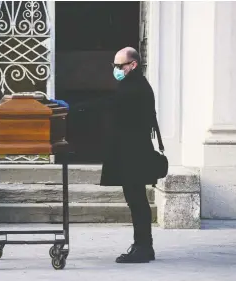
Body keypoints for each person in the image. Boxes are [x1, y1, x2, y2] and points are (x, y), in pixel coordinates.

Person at [52, 47, 158, 263]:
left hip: (133, 153)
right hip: (133, 150)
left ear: (133, 65)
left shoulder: (134, 87)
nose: (116, 70)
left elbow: (108, 104)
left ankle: (143, 248)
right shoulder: (134, 84)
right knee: (136, 200)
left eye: (119, 66)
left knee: (136, 200)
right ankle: (144, 246)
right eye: (114, 66)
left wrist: (73, 107)